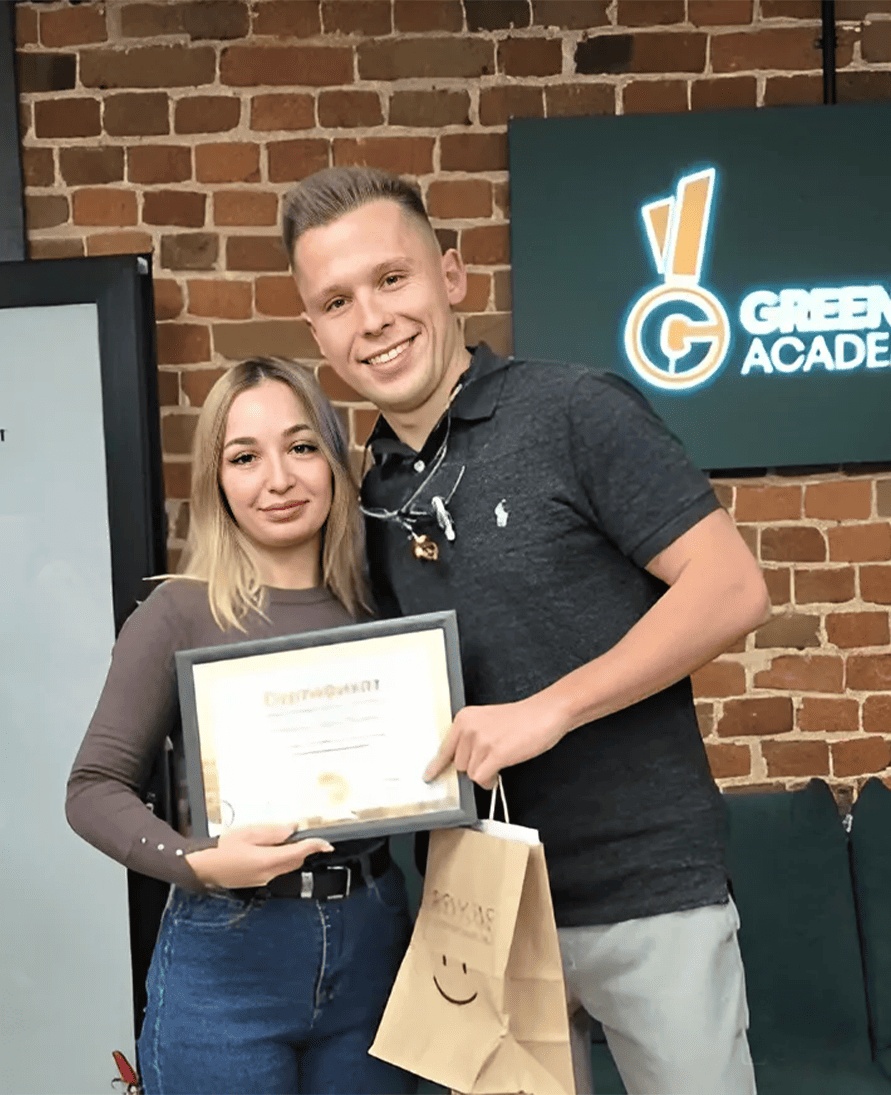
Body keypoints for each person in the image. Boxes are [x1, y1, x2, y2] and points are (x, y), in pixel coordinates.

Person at [280, 166, 772, 1095]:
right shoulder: (361, 499)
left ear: (451, 276)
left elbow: (730, 587)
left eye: (392, 278)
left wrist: (549, 708)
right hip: (480, 914)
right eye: (337, 301)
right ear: (317, 333)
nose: (372, 319)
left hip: (646, 890)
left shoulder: (575, 409)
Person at [66, 358, 416, 1095]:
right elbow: (92, 789)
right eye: (245, 457)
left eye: (301, 447)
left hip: (377, 944)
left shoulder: (386, 608)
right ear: (217, 481)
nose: (278, 479)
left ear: (333, 460)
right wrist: (198, 861)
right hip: (227, 957)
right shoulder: (177, 613)